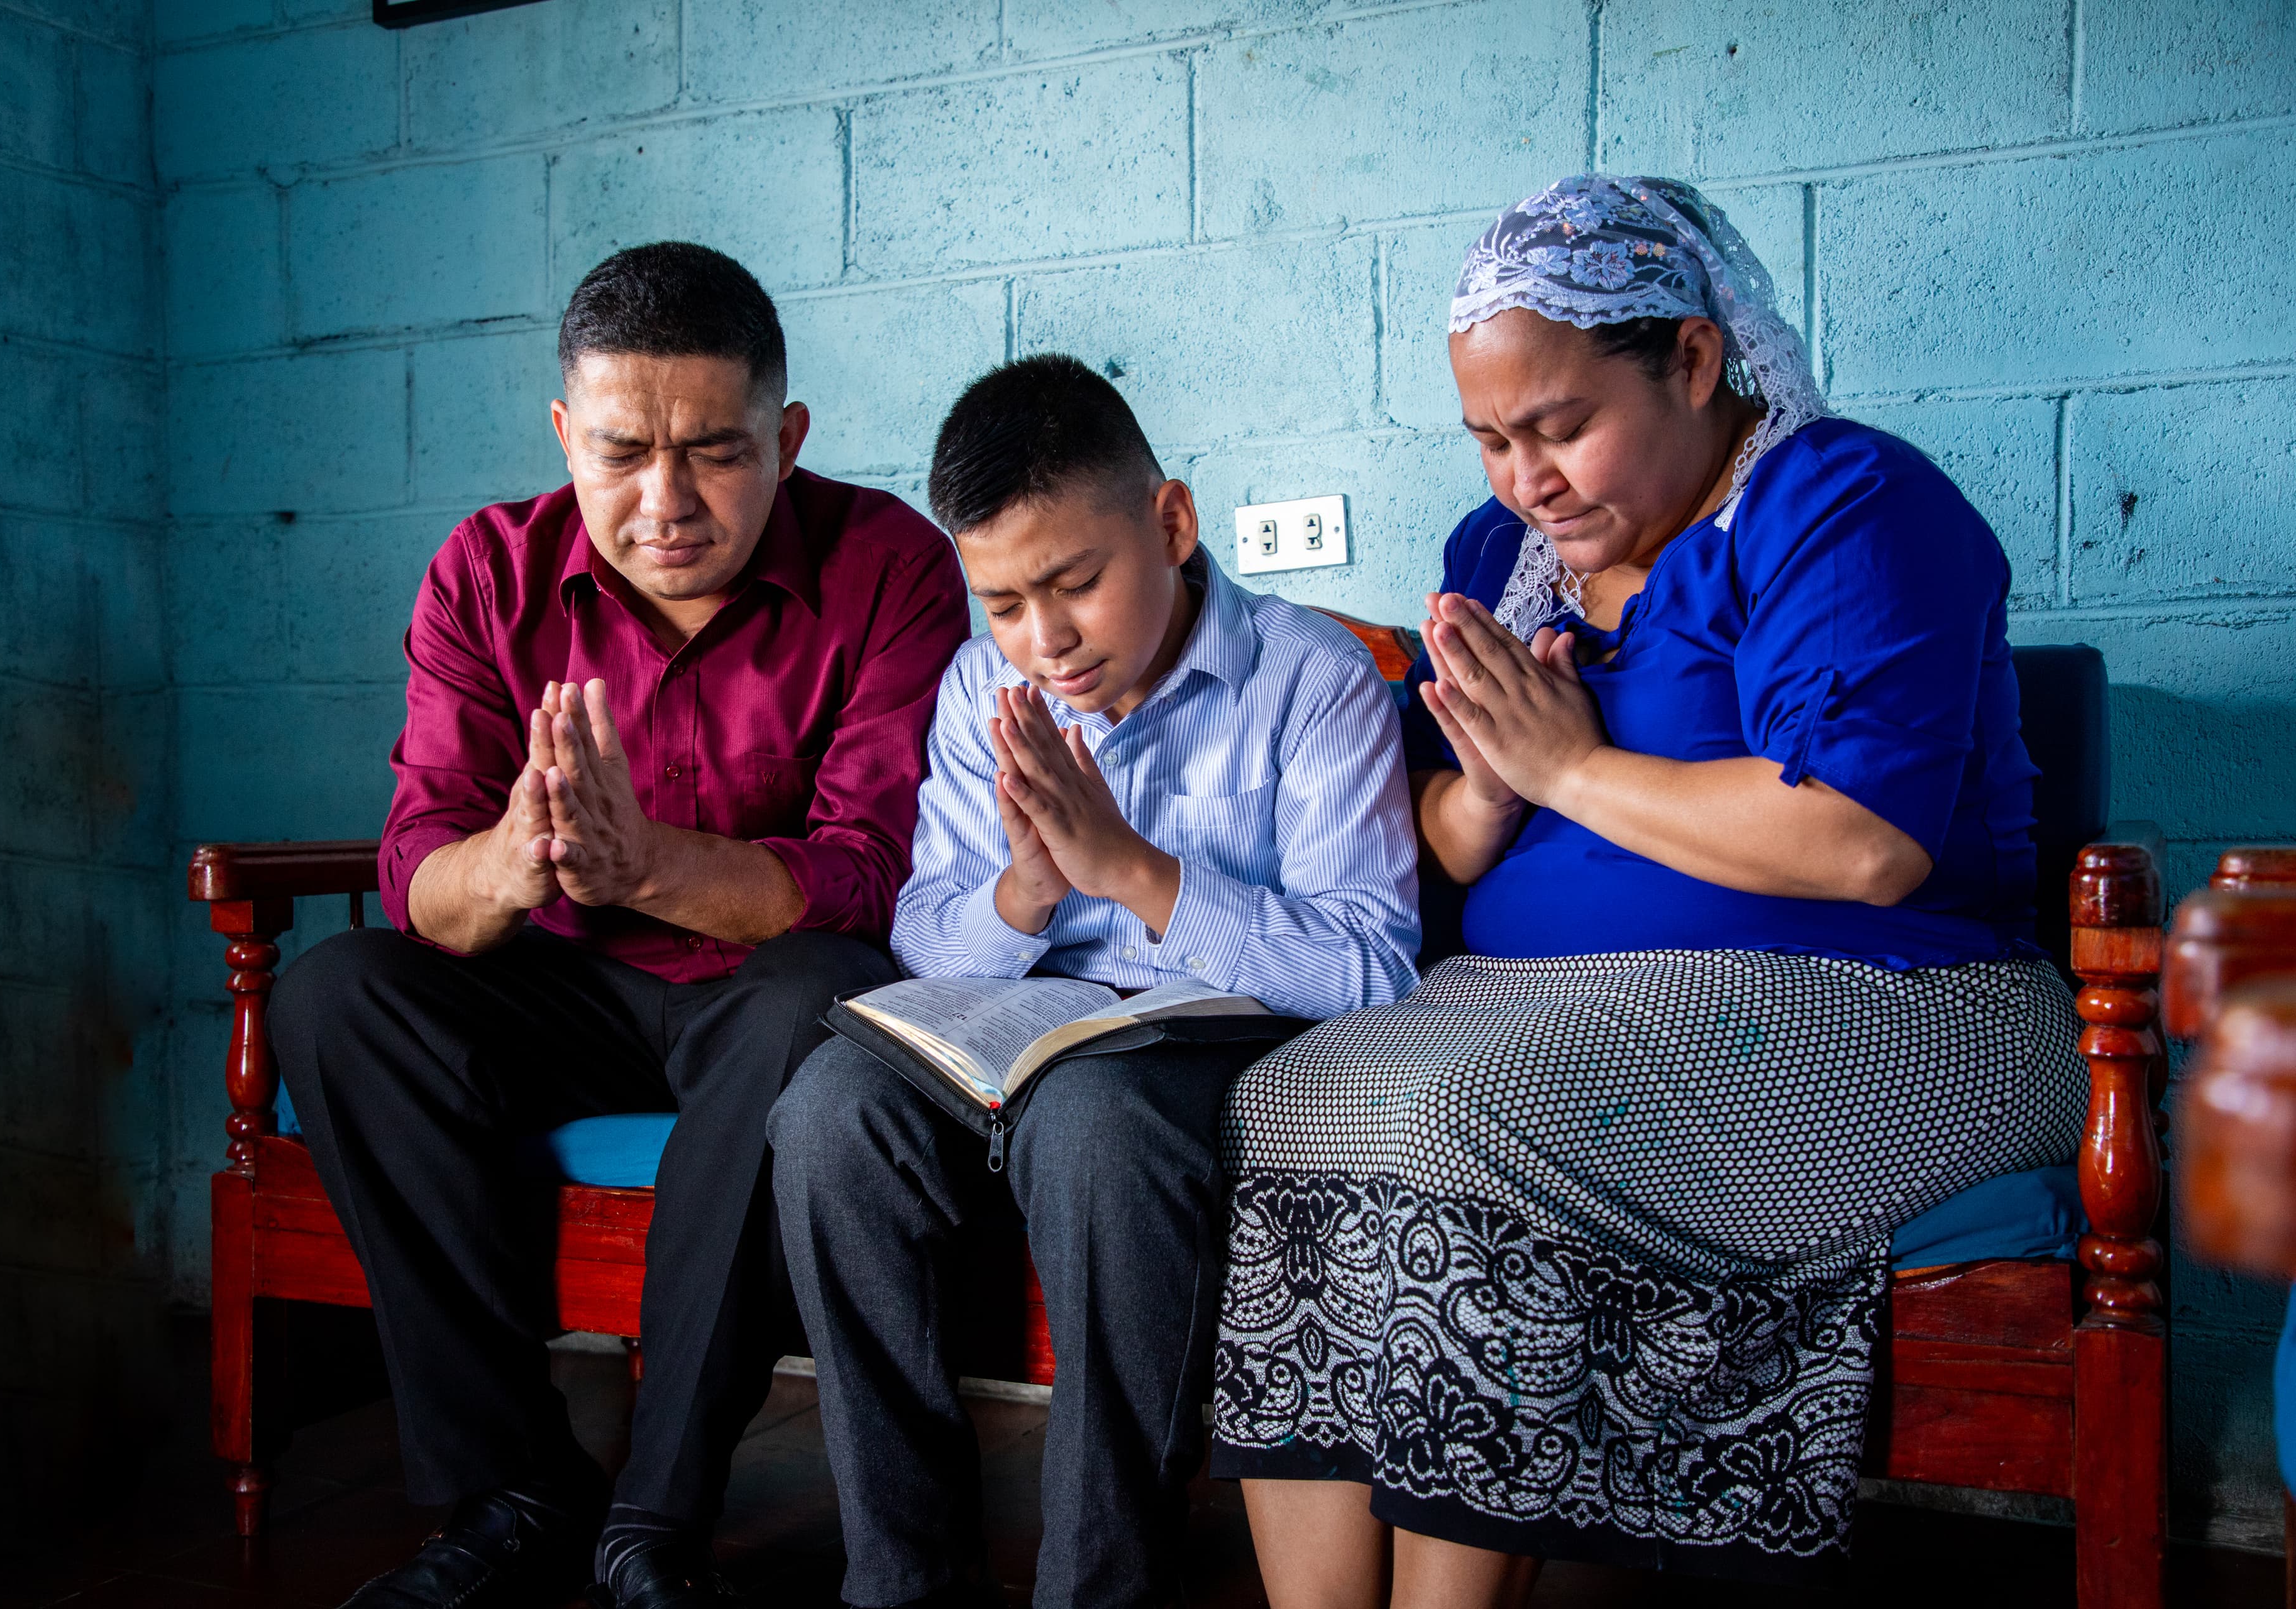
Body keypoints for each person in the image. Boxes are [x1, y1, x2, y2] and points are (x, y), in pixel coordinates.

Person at [1207, 175, 2088, 1601]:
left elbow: (1863, 838)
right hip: (1543, 1002)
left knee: (1453, 1116)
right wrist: (1489, 788)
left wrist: (1565, 769)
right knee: (1290, 1093)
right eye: (1493, 438)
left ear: (1692, 359)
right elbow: (1441, 832)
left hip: (1899, 1007)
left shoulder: (1844, 501)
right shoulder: (1505, 559)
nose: (1525, 479)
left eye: (1561, 427)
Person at [268, 243, 971, 1609]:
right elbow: (423, 865)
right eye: (621, 453)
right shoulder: (486, 570)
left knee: (812, 995)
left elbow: (869, 873)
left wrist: (641, 862)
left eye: (717, 452)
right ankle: (516, 1489)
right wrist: (516, 860)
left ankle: (655, 1515)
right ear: (562, 436)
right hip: (562, 991)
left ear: (790, 435)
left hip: (762, 995)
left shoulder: (888, 565)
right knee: (335, 990)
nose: (666, 503)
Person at [768, 354, 1421, 1609]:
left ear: (1170, 523)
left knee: (1095, 1125)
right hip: (1013, 1026)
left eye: (1075, 583)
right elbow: (924, 930)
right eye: (1003, 600)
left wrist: (1136, 872)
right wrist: (1024, 889)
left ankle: (1101, 1582)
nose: (1044, 639)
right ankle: (900, 1576)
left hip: (1206, 1046)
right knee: (828, 1111)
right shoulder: (984, 691)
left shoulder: (1313, 679)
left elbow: (1371, 964)